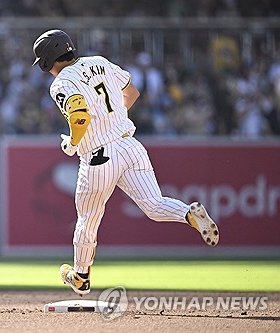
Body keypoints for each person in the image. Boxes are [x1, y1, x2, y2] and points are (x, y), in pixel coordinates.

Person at [32, 29, 220, 296]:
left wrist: (72, 144)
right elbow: (131, 93)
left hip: (99, 156)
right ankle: (189, 214)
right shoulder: (100, 62)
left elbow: (80, 116)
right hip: (130, 145)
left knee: (87, 219)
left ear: (48, 61)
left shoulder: (61, 82)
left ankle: (81, 276)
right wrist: (112, 119)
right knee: (154, 205)